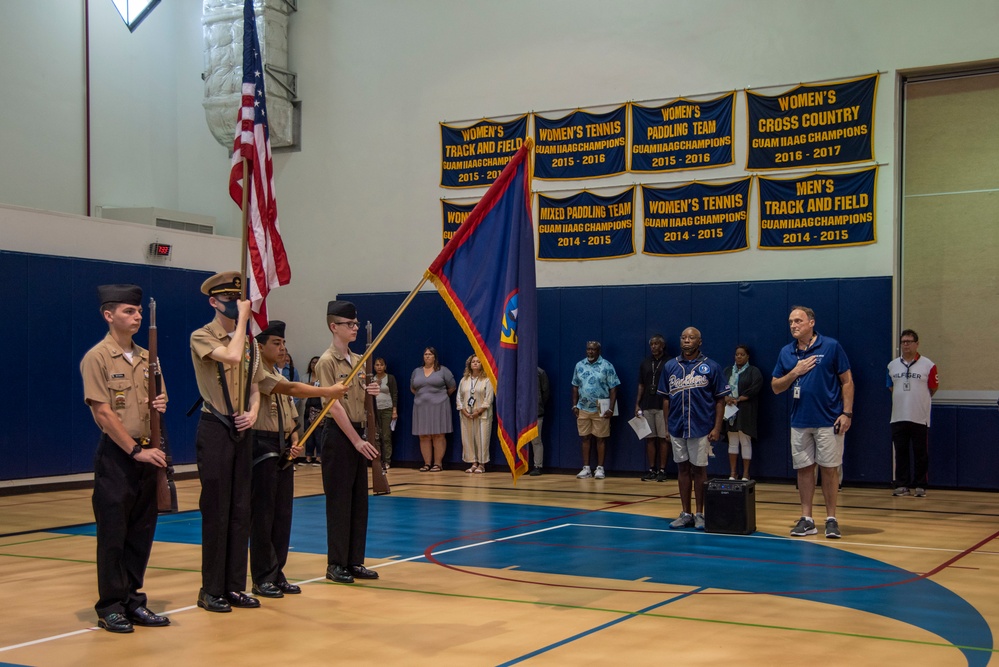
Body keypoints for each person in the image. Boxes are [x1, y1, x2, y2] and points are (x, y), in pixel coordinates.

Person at [80, 284, 170, 633]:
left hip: (150, 451)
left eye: (138, 312)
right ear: (109, 315)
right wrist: (135, 451)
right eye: (129, 312)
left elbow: (161, 396)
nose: (135, 317)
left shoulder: (149, 357)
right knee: (114, 534)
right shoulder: (98, 357)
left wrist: (162, 404)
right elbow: (103, 413)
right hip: (120, 457)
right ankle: (111, 605)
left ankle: (133, 599)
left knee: (141, 533)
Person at [250, 320, 347, 598]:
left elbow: (292, 416)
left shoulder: (278, 372)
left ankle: (277, 571)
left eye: (283, 344)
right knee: (263, 514)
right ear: (260, 346)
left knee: (282, 515)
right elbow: (291, 390)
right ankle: (262, 576)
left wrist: (295, 441)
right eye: (276, 344)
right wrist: (328, 392)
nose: (283, 349)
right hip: (261, 446)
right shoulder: (257, 375)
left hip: (282, 447)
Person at [189, 271, 266, 612]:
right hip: (216, 427)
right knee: (217, 510)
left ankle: (234, 585)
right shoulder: (203, 336)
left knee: (240, 510)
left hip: (241, 429)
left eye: (239, 300)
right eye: (231, 301)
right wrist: (244, 321)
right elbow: (231, 357)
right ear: (213, 301)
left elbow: (255, 385)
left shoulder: (249, 343)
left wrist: (252, 412)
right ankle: (211, 589)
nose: (236, 305)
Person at [772, 306, 853, 539]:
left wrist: (846, 413)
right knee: (804, 470)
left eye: (798, 321)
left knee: (829, 469)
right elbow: (776, 387)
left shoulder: (831, 346)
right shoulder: (786, 353)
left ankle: (831, 519)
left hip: (829, 419)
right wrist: (794, 372)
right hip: (799, 421)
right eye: (790, 322)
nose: (793, 325)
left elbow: (847, 381)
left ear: (811, 322)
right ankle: (807, 519)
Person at [315, 300, 381, 584]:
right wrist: (355, 441)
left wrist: (373, 391)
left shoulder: (357, 361)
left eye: (355, 324)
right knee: (339, 502)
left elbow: (360, 402)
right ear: (334, 327)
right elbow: (333, 405)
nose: (354, 328)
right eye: (349, 324)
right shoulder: (326, 361)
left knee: (358, 501)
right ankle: (336, 563)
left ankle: (354, 560)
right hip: (339, 435)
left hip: (358, 432)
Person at [658, 327, 728, 530]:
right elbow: (665, 400)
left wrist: (717, 427)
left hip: (701, 426)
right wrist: (667, 427)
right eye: (683, 337)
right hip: (677, 426)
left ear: (700, 342)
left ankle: (700, 513)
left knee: (699, 469)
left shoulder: (711, 366)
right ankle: (685, 512)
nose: (687, 340)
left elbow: (720, 400)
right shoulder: (671, 366)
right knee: (682, 468)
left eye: (691, 338)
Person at [887, 329, 939, 497]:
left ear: (917, 344)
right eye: (903, 342)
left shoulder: (928, 365)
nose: (906, 344)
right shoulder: (892, 365)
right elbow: (890, 386)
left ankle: (920, 485)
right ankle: (902, 485)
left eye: (909, 341)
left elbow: (933, 387)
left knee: (920, 453)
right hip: (898, 416)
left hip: (919, 416)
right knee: (900, 452)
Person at [571, 341, 620, 480]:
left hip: (601, 407)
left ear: (599, 351)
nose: (590, 352)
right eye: (588, 349)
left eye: (593, 349)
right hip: (583, 407)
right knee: (585, 437)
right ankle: (586, 468)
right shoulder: (579, 365)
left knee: (601, 438)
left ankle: (600, 468)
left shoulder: (607, 366)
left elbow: (614, 388)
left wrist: (611, 407)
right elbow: (575, 385)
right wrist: (574, 405)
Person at [411, 346, 456, 472]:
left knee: (438, 435)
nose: (427, 356)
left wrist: (439, 397)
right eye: (425, 354)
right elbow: (413, 388)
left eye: (430, 354)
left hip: (440, 406)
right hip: (421, 407)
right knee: (423, 436)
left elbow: (452, 387)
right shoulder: (417, 371)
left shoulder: (443, 370)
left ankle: (438, 464)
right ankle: (427, 463)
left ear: (435, 357)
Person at [722, 344, 764, 481]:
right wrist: (726, 397)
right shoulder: (728, 371)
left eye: (742, 354)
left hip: (746, 410)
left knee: (745, 440)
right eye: (737, 354)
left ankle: (746, 473)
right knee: (732, 440)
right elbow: (720, 387)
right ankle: (733, 473)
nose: (739, 357)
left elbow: (755, 388)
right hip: (729, 410)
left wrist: (739, 399)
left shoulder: (753, 371)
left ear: (747, 356)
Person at [635, 334, 670, 482]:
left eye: (656, 344)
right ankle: (652, 469)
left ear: (662, 346)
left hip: (663, 405)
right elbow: (641, 384)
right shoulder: (645, 363)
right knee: (650, 438)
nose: (654, 347)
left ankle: (662, 469)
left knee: (663, 438)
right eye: (652, 344)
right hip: (648, 404)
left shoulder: (669, 362)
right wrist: (637, 404)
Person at [456, 354, 495, 473]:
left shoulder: (487, 379)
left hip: (482, 415)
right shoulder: (464, 380)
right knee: (468, 439)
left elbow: (488, 399)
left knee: (482, 439)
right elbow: (459, 398)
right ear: (469, 364)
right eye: (473, 361)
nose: (475, 363)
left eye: (478, 361)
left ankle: (482, 465)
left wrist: (478, 411)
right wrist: (464, 411)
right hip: (466, 415)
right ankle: (473, 463)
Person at [372, 357, 398, 470]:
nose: (379, 367)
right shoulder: (371, 379)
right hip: (375, 410)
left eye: (381, 365)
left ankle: (387, 461)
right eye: (377, 365)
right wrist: (375, 385)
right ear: (374, 366)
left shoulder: (390, 378)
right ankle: (377, 460)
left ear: (385, 366)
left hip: (387, 409)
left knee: (386, 436)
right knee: (376, 436)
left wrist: (394, 410)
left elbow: (394, 394)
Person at [528, 367, 551, 476]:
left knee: (536, 440)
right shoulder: (516, 371)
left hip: (536, 411)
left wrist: (539, 405)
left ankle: (537, 465)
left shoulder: (540, 372)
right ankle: (522, 465)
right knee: (520, 440)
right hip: (520, 412)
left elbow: (545, 392)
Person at [303, 355, 322, 465]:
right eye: (313, 363)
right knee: (307, 432)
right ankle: (308, 456)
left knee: (318, 433)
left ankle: (319, 456)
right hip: (308, 406)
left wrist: (311, 386)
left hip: (319, 406)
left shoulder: (323, 376)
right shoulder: (305, 377)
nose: (314, 365)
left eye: (317, 363)